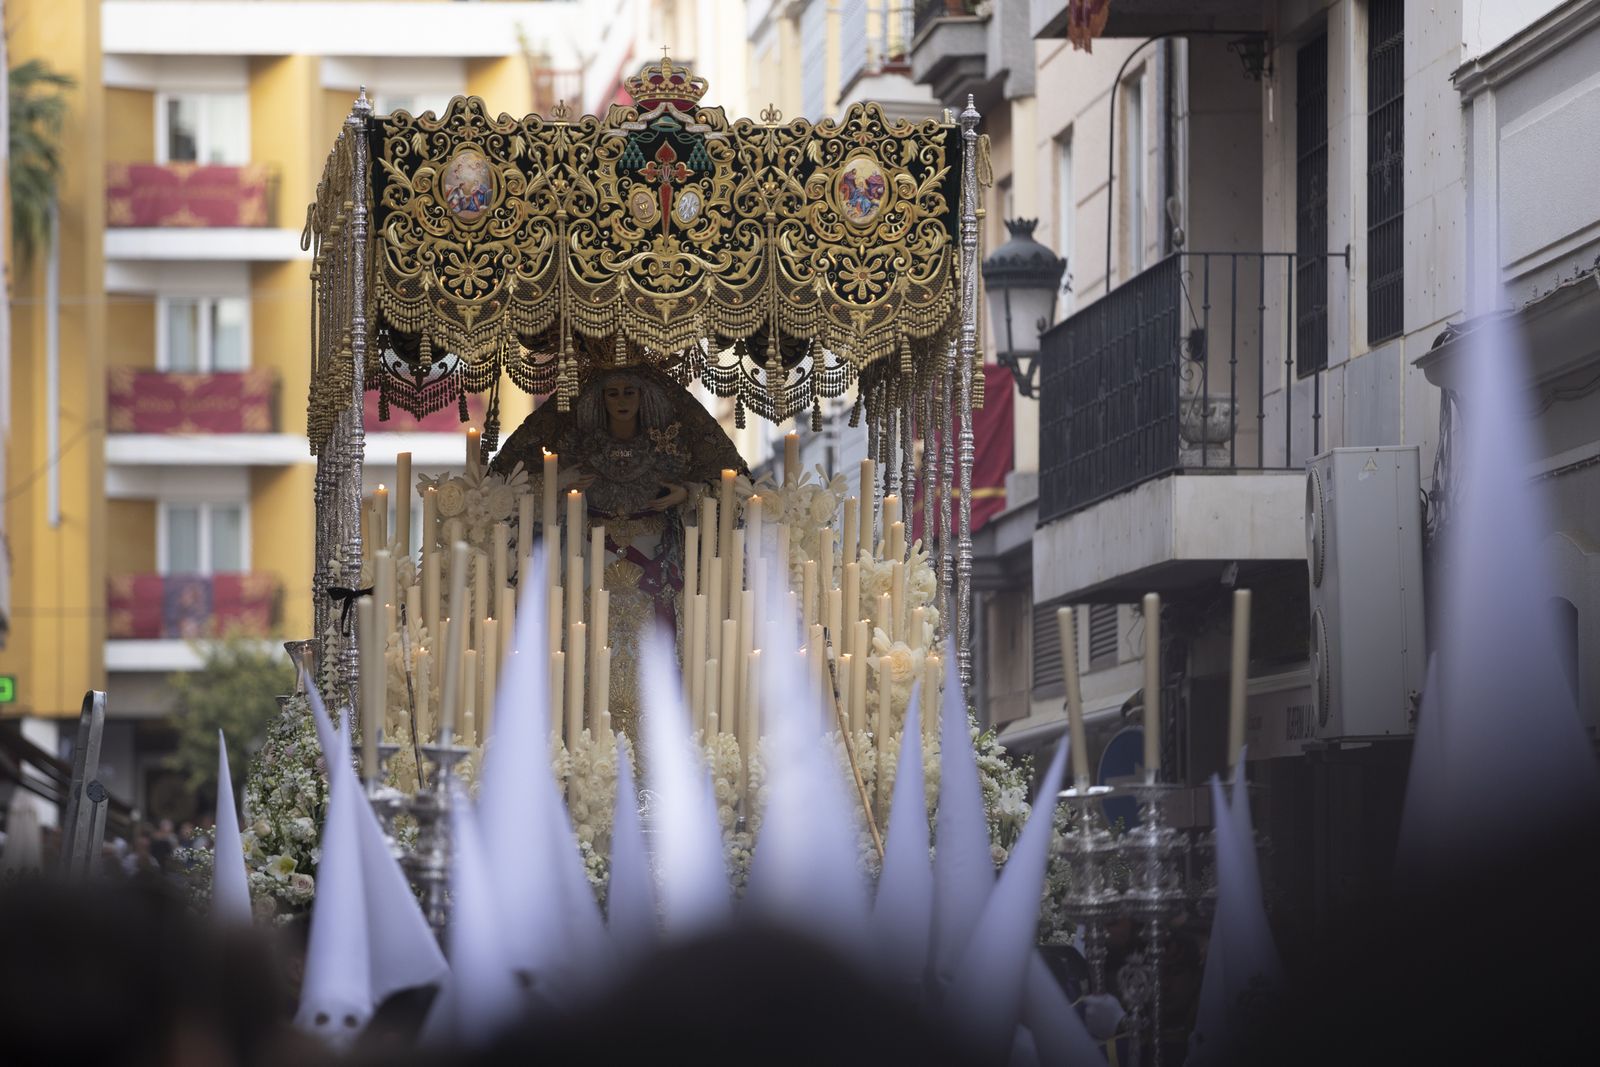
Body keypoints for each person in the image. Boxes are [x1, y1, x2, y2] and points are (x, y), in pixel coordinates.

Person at [491, 365, 746, 743]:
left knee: (656, 650)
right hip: (590, 559)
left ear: (645, 398)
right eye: (613, 393)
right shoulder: (579, 447)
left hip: (654, 561)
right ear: (599, 400)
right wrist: (559, 483)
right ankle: (586, 746)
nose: (622, 401)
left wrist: (686, 494)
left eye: (630, 392)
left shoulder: (667, 446)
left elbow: (728, 487)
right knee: (586, 647)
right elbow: (510, 490)